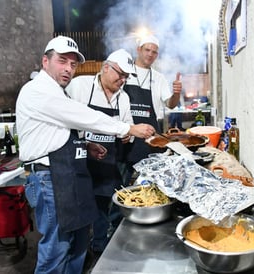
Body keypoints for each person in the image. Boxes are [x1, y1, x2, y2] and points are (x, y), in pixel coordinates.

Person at [15, 36, 155, 274]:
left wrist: (85, 143)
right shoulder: (38, 91)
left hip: (72, 173)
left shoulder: (59, 92)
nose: (68, 69)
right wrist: (127, 128)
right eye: (62, 61)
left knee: (79, 244)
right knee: (56, 250)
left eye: (73, 64)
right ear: (45, 61)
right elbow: (80, 115)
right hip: (50, 179)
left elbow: (60, 130)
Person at [66, 49, 135, 253]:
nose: (122, 80)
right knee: (79, 209)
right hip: (80, 161)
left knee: (103, 209)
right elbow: (66, 119)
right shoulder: (79, 86)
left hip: (107, 162)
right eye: (119, 74)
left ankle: (99, 248)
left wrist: (127, 135)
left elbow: (128, 125)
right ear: (106, 67)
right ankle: (76, 250)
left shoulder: (123, 98)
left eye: (126, 77)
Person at [121, 34, 182, 184]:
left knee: (151, 183)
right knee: (122, 182)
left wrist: (177, 93)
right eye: (147, 50)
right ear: (138, 50)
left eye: (154, 52)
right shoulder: (125, 72)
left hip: (150, 139)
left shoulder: (158, 77)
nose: (150, 54)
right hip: (127, 136)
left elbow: (171, 104)